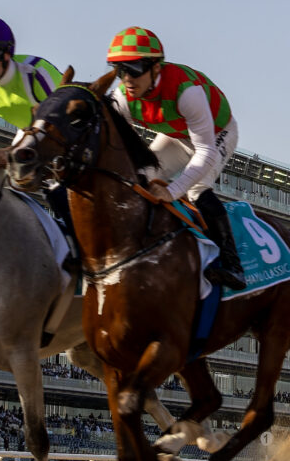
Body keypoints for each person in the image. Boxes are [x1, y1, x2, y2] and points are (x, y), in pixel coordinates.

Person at [104, 28, 242, 291]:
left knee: (195, 189)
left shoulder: (186, 92)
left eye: (134, 69)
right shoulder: (122, 97)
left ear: (156, 67)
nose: (127, 79)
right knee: (139, 177)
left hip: (216, 135)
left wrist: (173, 191)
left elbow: (206, 151)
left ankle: (232, 265)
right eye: (119, 70)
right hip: (176, 136)